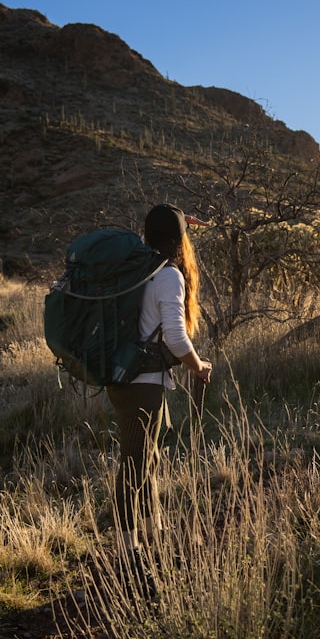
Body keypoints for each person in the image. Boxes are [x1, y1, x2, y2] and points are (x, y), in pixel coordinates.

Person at [105, 204, 212, 558]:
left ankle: (155, 532)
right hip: (143, 383)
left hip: (127, 376)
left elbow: (155, 225)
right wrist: (197, 367)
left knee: (146, 460)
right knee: (135, 464)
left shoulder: (138, 263)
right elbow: (177, 339)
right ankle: (126, 551)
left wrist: (180, 221)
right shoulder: (168, 275)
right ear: (178, 241)